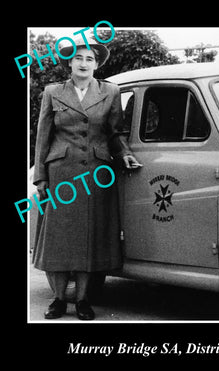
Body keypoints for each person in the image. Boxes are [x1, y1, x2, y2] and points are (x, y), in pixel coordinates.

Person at [32, 35, 142, 320]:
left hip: (96, 174)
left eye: (89, 59)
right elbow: (43, 138)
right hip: (61, 176)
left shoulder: (110, 91)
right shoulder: (52, 92)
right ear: (70, 62)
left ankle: (82, 300)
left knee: (89, 241)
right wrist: (41, 177)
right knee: (58, 240)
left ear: (96, 64)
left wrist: (125, 153)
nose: (83, 63)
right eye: (79, 58)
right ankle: (58, 300)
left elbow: (115, 132)